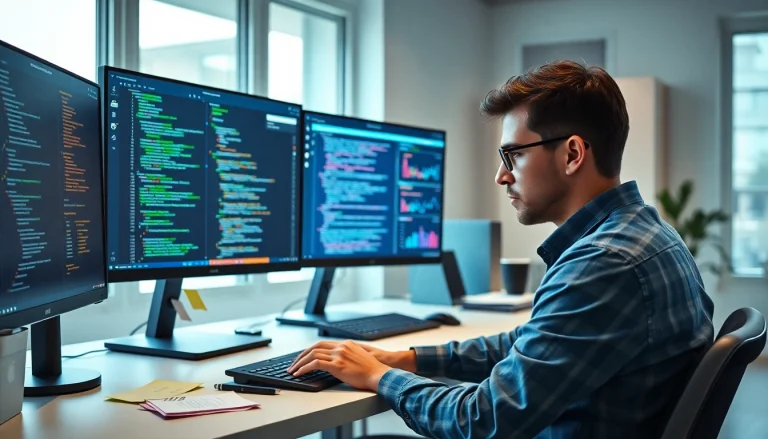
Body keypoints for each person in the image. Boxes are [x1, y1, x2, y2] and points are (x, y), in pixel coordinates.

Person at [287, 60, 715, 439]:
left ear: (572, 154)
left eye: (512, 156)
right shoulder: (649, 236)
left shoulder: (603, 264)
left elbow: (481, 421)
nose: (501, 176)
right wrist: (408, 357)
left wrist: (380, 376)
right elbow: (534, 342)